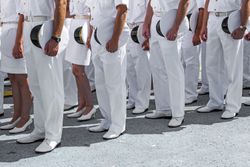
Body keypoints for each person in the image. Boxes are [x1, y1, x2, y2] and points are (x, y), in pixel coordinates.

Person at [16, 0, 67, 153]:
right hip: (28, 26)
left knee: (51, 85)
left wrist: (56, 37)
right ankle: (40, 129)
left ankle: (53, 136)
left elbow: (61, 3)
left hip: (46, 26)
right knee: (36, 85)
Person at [198, 0, 250, 119]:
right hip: (212, 18)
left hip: (231, 17)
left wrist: (243, 26)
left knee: (233, 66)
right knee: (212, 64)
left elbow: (246, 1)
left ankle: (233, 106)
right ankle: (215, 101)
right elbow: (207, 2)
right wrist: (204, 25)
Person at [86, 0, 128, 139]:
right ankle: (107, 120)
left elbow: (122, 10)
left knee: (115, 84)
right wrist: (90, 35)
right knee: (101, 83)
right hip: (97, 37)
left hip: (111, 36)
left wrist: (115, 39)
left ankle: (118, 125)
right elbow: (93, 15)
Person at [143, 0, 190, 127]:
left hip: (171, 20)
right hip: (155, 20)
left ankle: (178, 113)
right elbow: (150, 3)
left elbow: (185, 2)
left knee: (174, 70)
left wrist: (176, 27)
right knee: (157, 67)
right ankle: (163, 108)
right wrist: (146, 23)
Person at [0, 0, 33, 134]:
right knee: (12, 77)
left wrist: (19, 41)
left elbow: (22, 16)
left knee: (22, 78)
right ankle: (16, 116)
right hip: (6, 30)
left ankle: (25, 117)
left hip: (17, 31)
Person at [65, 0, 96, 121]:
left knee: (79, 69)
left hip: (84, 25)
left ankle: (90, 105)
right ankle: (82, 105)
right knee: (75, 69)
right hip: (74, 23)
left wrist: (90, 34)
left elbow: (93, 11)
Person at [126, 0, 151, 114]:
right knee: (129, 68)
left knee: (141, 68)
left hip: (140, 27)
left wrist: (148, 36)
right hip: (127, 27)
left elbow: (151, 11)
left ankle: (142, 102)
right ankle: (133, 99)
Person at [182, 0, 205, 104]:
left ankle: (190, 94)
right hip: (179, 25)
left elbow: (202, 9)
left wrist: (198, 33)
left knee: (191, 62)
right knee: (180, 62)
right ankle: (182, 92)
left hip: (191, 25)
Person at [62, 0, 78, 111]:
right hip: (61, 20)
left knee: (67, 63)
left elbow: (66, 6)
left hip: (67, 20)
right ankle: (66, 96)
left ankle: (71, 98)